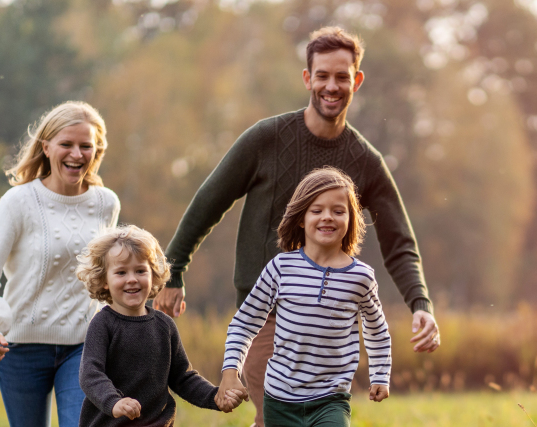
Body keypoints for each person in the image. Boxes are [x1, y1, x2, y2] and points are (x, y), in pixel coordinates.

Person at [158, 26, 440, 425]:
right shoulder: (266, 138)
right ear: (307, 78)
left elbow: (399, 242)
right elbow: (209, 202)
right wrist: (174, 270)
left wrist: (420, 304)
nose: (332, 86)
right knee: (272, 416)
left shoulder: (365, 160)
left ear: (356, 81)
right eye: (322, 75)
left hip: (329, 323)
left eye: (342, 76)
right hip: (268, 310)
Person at [0, 101, 119, 427]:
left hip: (83, 347)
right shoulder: (18, 202)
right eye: (66, 144)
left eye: (85, 146)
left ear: (97, 150)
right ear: (46, 147)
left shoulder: (106, 203)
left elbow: (103, 277)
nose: (76, 154)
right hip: (19, 349)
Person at [218, 167, 391, 426]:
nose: (327, 217)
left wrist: (380, 375)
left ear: (351, 218)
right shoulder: (280, 268)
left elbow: (376, 330)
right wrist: (231, 372)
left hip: (331, 399)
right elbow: (244, 323)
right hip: (279, 400)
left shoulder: (361, 277)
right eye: (317, 210)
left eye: (338, 211)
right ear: (301, 218)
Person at [74, 225, 245, 426]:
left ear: (153, 275)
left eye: (140, 271)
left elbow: (183, 377)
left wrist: (215, 397)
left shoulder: (164, 326)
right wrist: (114, 402)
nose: (132, 279)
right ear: (104, 280)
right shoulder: (102, 324)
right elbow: (90, 374)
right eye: (121, 272)